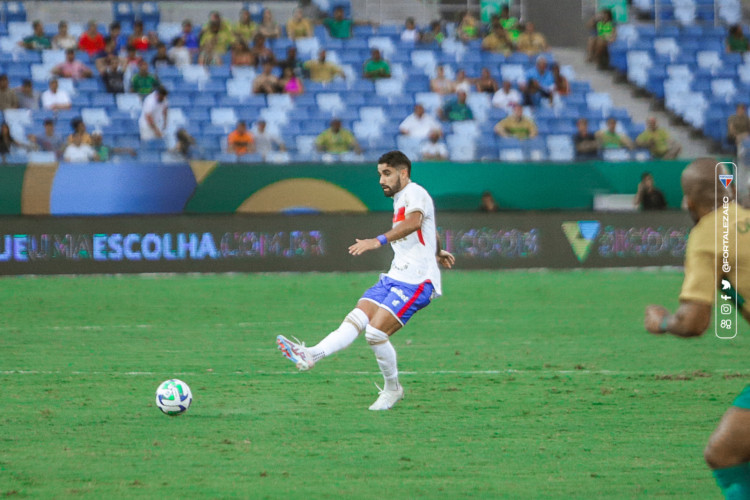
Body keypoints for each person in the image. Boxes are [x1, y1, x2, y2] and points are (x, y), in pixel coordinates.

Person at [276, 150, 455, 411]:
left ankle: (393, 389)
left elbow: (415, 223)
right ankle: (312, 353)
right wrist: (437, 250)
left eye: (387, 173)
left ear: (403, 173)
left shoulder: (415, 192)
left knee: (375, 333)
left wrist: (378, 240)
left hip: (417, 282)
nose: (381, 180)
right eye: (379, 174)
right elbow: (427, 224)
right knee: (356, 318)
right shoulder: (402, 198)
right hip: (395, 275)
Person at [641, 158, 750, 500]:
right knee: (726, 451)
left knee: (724, 453)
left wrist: (660, 321)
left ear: (688, 200)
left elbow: (693, 322)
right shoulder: (745, 220)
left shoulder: (708, 234)